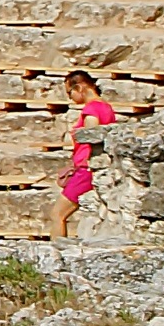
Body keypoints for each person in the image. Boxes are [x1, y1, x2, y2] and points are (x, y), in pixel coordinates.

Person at [53, 69, 118, 238]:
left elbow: (91, 135)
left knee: (57, 214)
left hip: (85, 170)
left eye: (70, 92)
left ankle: (56, 252)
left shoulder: (91, 109)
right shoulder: (106, 107)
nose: (69, 97)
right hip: (92, 169)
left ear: (80, 88)